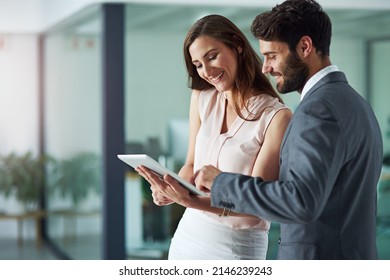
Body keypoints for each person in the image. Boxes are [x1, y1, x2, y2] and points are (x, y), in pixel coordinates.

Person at [193, 0, 383, 260]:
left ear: (305, 47)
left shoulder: (318, 109)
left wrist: (221, 183)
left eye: (272, 55)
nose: (266, 67)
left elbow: (300, 201)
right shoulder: (355, 103)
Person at [136, 14, 292, 259]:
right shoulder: (202, 97)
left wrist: (190, 201)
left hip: (236, 247)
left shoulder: (276, 117)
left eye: (212, 56)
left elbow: (257, 207)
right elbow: (190, 165)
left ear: (237, 45)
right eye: (198, 64)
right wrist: (170, 189)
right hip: (189, 236)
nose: (206, 71)